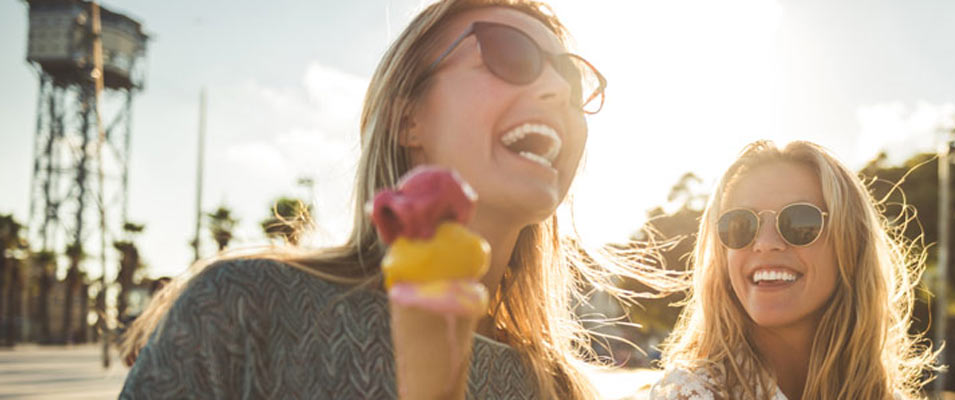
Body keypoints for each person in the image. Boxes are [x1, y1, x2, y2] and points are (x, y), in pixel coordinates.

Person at [118, 0, 672, 398]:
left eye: (574, 83)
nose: (556, 91)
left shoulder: (560, 390)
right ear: (409, 116)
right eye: (509, 55)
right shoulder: (244, 305)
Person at [650, 140, 938, 400]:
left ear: (851, 245)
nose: (764, 244)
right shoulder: (690, 395)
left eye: (800, 222)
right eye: (740, 225)